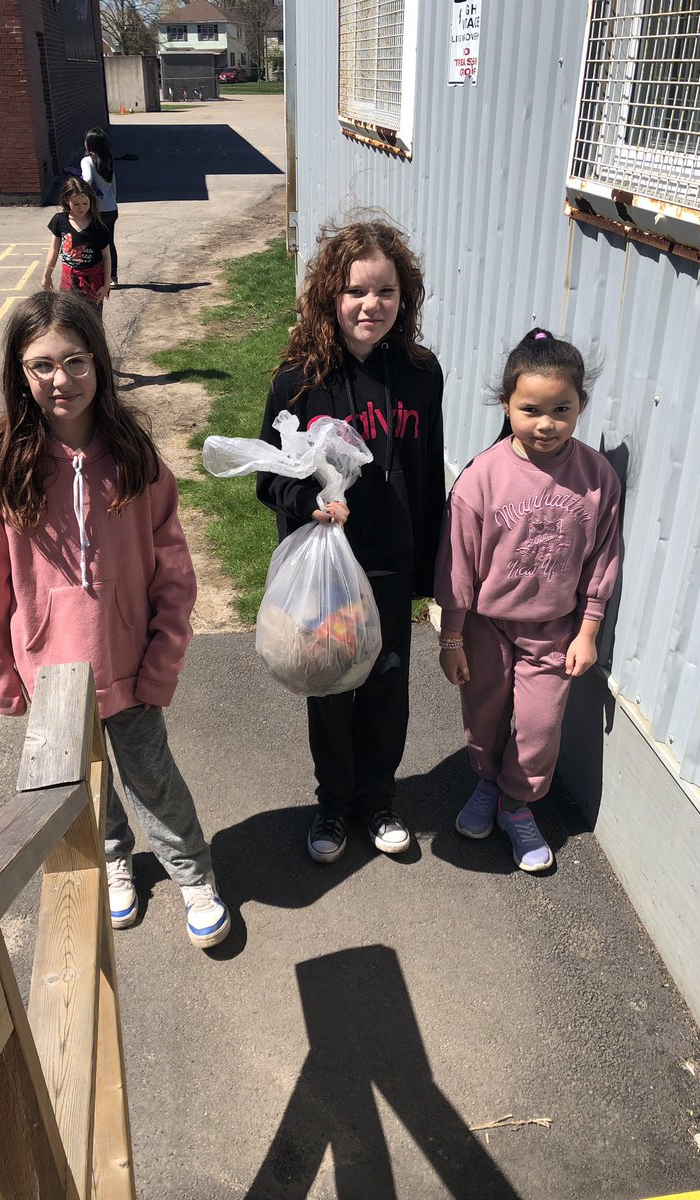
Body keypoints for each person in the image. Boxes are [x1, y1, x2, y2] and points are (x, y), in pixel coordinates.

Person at [0, 290, 229, 948]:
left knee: (153, 777)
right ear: (19, 375)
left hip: (131, 669)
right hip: (50, 680)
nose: (62, 380)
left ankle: (192, 870)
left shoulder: (134, 458)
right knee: (84, 788)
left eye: (76, 361)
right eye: (42, 365)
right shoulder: (1, 466)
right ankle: (114, 860)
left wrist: (163, 658)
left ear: (101, 364)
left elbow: (174, 572)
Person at [257, 220, 445, 864]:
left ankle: (379, 800)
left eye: (386, 292)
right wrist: (312, 502)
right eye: (356, 291)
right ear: (330, 295)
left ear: (405, 296)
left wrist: (430, 566)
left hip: (391, 565)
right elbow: (269, 478)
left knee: (389, 684)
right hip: (329, 571)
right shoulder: (298, 381)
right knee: (333, 688)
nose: (371, 306)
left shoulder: (422, 374)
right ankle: (334, 805)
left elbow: (427, 471)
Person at [434, 328, 621, 872]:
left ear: (581, 405)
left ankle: (519, 803)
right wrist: (451, 637)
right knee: (484, 715)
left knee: (539, 726)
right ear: (506, 405)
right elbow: (457, 564)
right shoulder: (483, 477)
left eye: (561, 409)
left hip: (554, 629)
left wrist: (588, 629)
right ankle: (488, 783)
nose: (546, 423)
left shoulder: (596, 479)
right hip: (485, 627)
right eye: (530, 409)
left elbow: (603, 560)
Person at [42, 178, 111, 311]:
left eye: (85, 203)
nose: (81, 207)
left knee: (92, 322)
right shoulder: (59, 220)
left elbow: (107, 257)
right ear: (67, 201)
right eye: (76, 203)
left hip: (92, 282)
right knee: (68, 319)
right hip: (68, 280)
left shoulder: (98, 227)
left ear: (91, 201)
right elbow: (54, 249)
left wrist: (106, 284)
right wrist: (46, 275)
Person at [80, 127, 119, 285]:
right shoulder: (108, 160)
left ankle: (96, 275)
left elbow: (87, 179)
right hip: (111, 208)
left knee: (93, 243)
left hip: (97, 210)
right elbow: (114, 186)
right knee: (109, 242)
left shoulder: (87, 161)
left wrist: (82, 188)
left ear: (89, 144)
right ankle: (113, 277)